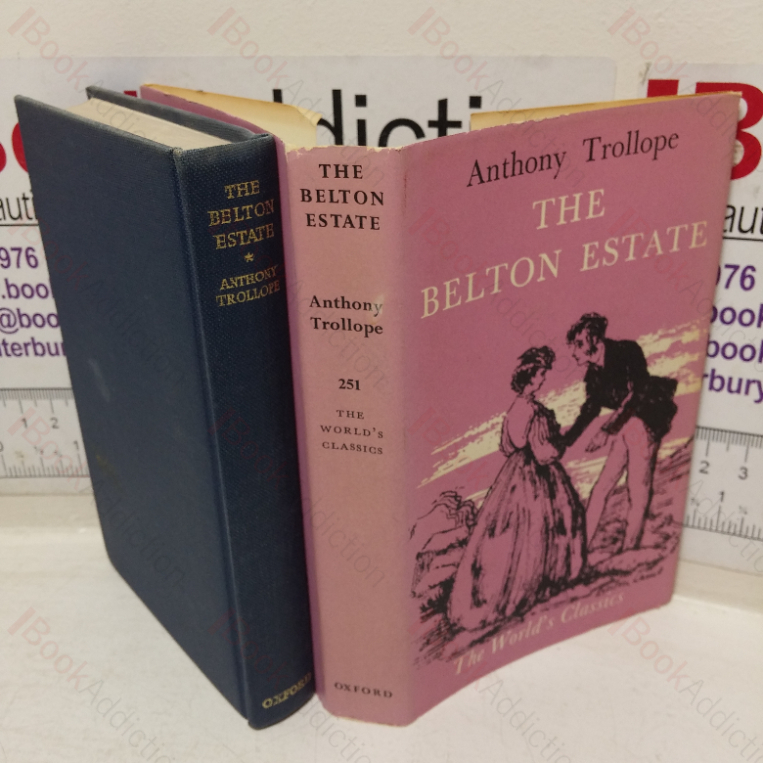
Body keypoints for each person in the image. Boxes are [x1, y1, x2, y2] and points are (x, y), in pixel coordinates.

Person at [447, 346, 586, 632]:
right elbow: (543, 452)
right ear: (530, 377)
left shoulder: (513, 410)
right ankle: (537, 586)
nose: (543, 378)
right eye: (541, 374)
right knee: (540, 526)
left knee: (515, 533)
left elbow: (506, 446)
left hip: (513, 472)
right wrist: (559, 446)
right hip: (536, 472)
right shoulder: (533, 410)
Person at [563, 313, 677, 551]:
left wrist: (607, 430)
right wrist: (564, 442)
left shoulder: (627, 351)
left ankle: (629, 549)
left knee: (637, 487)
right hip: (626, 425)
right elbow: (589, 410)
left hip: (647, 419)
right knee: (601, 489)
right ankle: (581, 551)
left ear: (595, 340)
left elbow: (637, 395)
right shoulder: (593, 375)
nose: (574, 351)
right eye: (573, 345)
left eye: (579, 344)